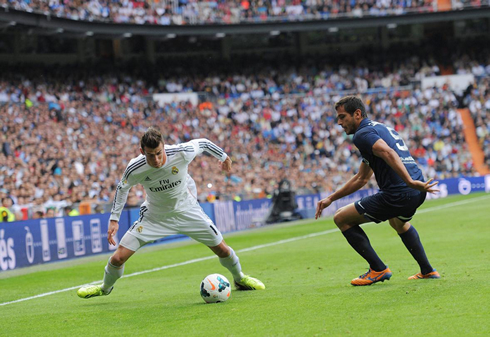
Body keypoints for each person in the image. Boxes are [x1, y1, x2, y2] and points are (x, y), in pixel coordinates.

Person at [77, 127, 265, 299]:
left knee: (222, 249)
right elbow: (122, 188)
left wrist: (224, 157)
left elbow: (204, 143)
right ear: (142, 152)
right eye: (151, 155)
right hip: (154, 217)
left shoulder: (182, 152)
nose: (157, 160)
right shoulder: (135, 167)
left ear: (164, 147)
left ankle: (239, 278)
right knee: (117, 257)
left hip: (187, 211)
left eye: (159, 153)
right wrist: (114, 219)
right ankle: (104, 288)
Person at [315, 96, 440, 286]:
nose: (339, 123)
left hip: (401, 192)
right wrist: (330, 198)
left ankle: (378, 269)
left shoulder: (362, 135)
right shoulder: (380, 128)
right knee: (398, 223)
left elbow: (388, 153)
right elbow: (361, 178)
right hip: (416, 192)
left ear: (357, 114)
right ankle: (428, 270)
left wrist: (408, 181)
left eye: (342, 117)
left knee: (341, 218)